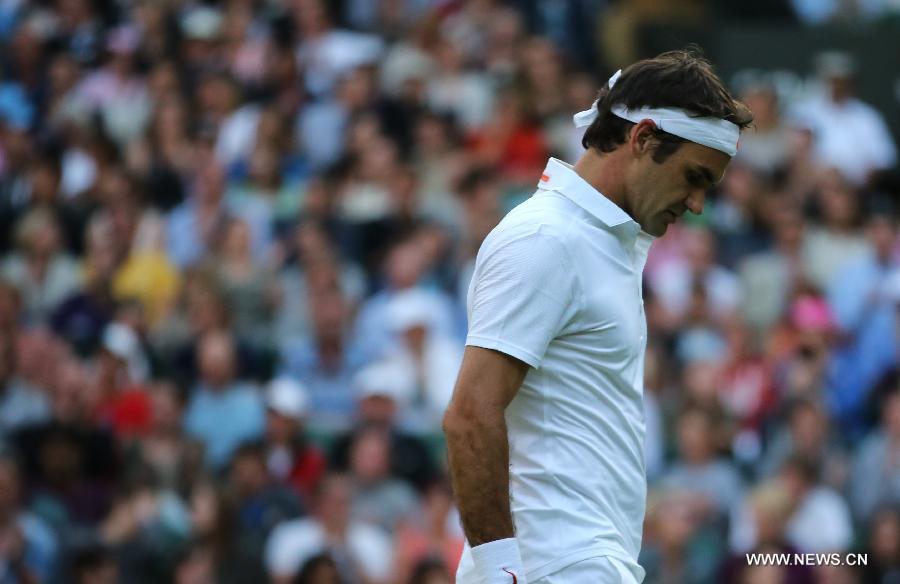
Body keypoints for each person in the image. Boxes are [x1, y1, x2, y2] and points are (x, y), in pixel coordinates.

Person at [442, 50, 752, 584]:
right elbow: (470, 414)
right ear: (644, 138)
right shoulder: (547, 238)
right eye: (694, 177)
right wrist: (501, 573)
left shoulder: (601, 241)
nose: (697, 204)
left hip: (583, 561)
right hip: (555, 566)